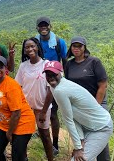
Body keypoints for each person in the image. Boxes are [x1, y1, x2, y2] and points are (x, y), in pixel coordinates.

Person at [43, 61, 113, 161]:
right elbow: (72, 116)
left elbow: (68, 120)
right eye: (48, 74)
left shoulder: (60, 90)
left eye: (54, 74)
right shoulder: (54, 88)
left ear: (61, 73)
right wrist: (80, 140)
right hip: (88, 126)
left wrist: (78, 147)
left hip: (101, 127)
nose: (50, 77)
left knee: (78, 159)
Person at [65, 36, 110, 160]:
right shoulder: (69, 64)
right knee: (83, 134)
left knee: (100, 133)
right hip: (78, 105)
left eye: (80, 46)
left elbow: (103, 85)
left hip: (97, 103)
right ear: (71, 48)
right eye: (74, 46)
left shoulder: (94, 62)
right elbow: (68, 85)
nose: (77, 48)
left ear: (84, 47)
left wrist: (96, 106)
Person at [0, 56, 35, 161]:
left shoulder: (12, 86)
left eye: (1, 67)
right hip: (4, 123)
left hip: (22, 122)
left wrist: (9, 133)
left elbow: (16, 113)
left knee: (17, 156)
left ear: (6, 69)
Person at [15, 37, 54, 160]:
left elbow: (51, 90)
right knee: (23, 135)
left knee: (45, 135)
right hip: (26, 108)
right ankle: (24, 158)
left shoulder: (46, 64)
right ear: (24, 50)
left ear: (37, 47)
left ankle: (50, 159)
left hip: (42, 107)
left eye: (32, 46)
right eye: (27, 47)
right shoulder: (23, 66)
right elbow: (18, 87)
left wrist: (43, 111)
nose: (30, 49)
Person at [36, 16, 68, 154]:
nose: (44, 28)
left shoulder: (59, 42)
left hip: (54, 80)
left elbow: (65, 62)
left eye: (46, 25)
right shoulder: (35, 42)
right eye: (41, 25)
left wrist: (66, 83)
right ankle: (43, 134)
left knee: (53, 113)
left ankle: (55, 145)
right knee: (38, 109)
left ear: (50, 26)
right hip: (39, 80)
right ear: (37, 27)